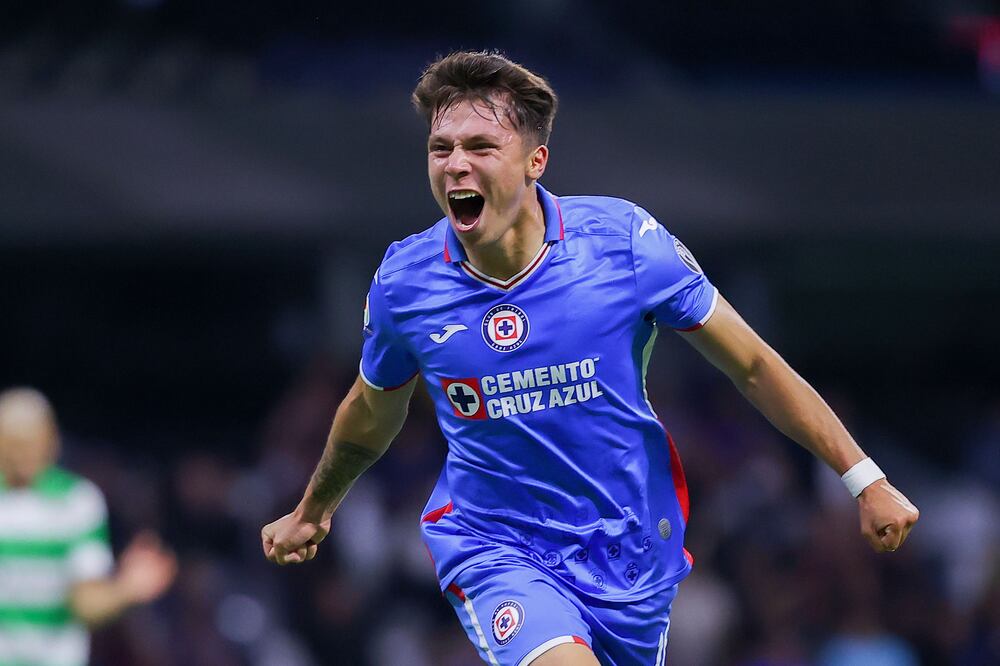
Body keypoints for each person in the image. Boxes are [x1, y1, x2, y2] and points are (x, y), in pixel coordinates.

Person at [262, 50, 919, 666]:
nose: (455, 164)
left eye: (481, 146)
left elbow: (753, 365)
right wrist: (316, 508)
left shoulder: (626, 244)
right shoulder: (406, 282)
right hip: (498, 547)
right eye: (441, 148)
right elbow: (371, 410)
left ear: (535, 160)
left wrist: (865, 479)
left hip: (632, 553)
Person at [0, 387, 177, 666]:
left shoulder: (76, 502)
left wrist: (127, 588)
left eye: (31, 440)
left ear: (53, 440)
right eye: (14, 441)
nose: (22, 452)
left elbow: (86, 603)